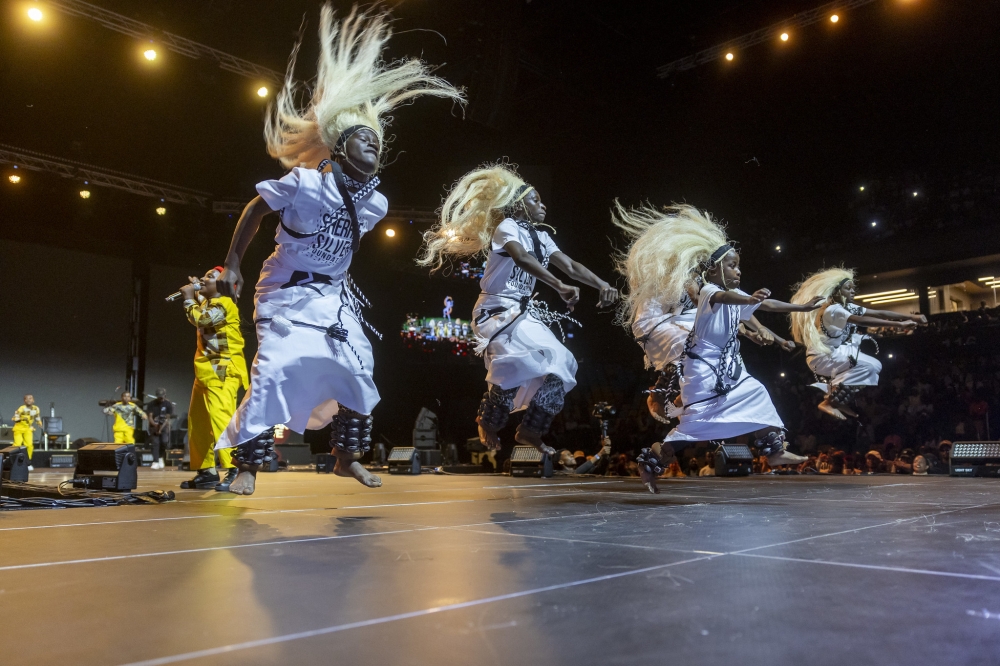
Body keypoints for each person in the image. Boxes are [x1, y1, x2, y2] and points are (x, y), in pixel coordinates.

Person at [214, 5, 465, 495]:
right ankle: (246, 466)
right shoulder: (305, 183)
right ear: (340, 146)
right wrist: (234, 263)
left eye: (378, 142)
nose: (374, 145)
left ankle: (345, 457)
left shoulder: (375, 203)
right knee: (276, 371)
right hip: (286, 291)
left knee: (359, 368)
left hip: (333, 298)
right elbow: (253, 211)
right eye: (364, 139)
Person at [417, 165, 618, 455]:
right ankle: (489, 420)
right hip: (495, 310)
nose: (543, 204)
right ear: (518, 204)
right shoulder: (507, 227)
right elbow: (521, 258)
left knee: (563, 362)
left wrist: (602, 284)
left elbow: (572, 266)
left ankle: (531, 430)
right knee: (518, 363)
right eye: (535, 199)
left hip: (523, 313)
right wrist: (559, 285)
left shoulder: (542, 237)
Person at [622, 205, 822, 493]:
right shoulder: (708, 291)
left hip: (724, 365)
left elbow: (766, 305)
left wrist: (802, 306)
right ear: (712, 269)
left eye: (738, 265)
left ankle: (775, 451)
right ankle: (654, 456)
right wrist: (750, 303)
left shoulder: (732, 294)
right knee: (694, 426)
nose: (738, 270)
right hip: (701, 368)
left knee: (757, 392)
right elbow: (730, 299)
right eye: (732, 266)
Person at [612, 203, 796, 425]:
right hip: (653, 322)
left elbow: (739, 310)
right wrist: (748, 330)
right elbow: (708, 305)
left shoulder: (711, 283)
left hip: (679, 319)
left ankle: (685, 398)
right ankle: (659, 391)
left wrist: (761, 333)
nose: (737, 270)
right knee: (690, 343)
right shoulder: (689, 278)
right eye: (732, 265)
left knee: (724, 351)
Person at [789, 268, 925, 420]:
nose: (853, 291)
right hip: (821, 357)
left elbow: (879, 313)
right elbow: (861, 320)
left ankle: (836, 399)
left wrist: (913, 318)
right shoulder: (833, 310)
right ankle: (829, 401)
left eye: (853, 288)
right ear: (837, 292)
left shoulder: (848, 307)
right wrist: (901, 326)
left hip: (835, 352)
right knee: (866, 367)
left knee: (875, 366)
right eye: (848, 288)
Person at [178, 268, 248, 490]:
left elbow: (203, 319)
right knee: (198, 422)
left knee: (222, 420)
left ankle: (234, 468)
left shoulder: (225, 303)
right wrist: (197, 292)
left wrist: (189, 299)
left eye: (210, 277)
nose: (203, 279)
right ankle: (206, 470)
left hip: (222, 369)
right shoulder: (210, 302)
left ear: (224, 284)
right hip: (205, 371)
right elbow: (203, 304)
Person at [146, 388, 174, 470]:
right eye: (159, 397)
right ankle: (155, 461)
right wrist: (154, 426)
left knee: (164, 442)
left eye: (162, 397)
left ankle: (160, 457)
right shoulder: (151, 404)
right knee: (155, 443)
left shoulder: (168, 404)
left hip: (164, 426)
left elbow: (167, 418)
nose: (160, 398)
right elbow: (150, 416)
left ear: (165, 395)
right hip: (153, 425)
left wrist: (160, 429)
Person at [12, 394, 42, 471]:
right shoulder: (21, 408)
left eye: (30, 398)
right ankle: (13, 461)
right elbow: (15, 417)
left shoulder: (36, 408)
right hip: (19, 428)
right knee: (17, 444)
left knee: (29, 445)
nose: (29, 400)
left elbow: (37, 417)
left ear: (33, 400)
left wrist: (39, 422)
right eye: (27, 399)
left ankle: (27, 462)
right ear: (24, 401)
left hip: (28, 428)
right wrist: (20, 418)